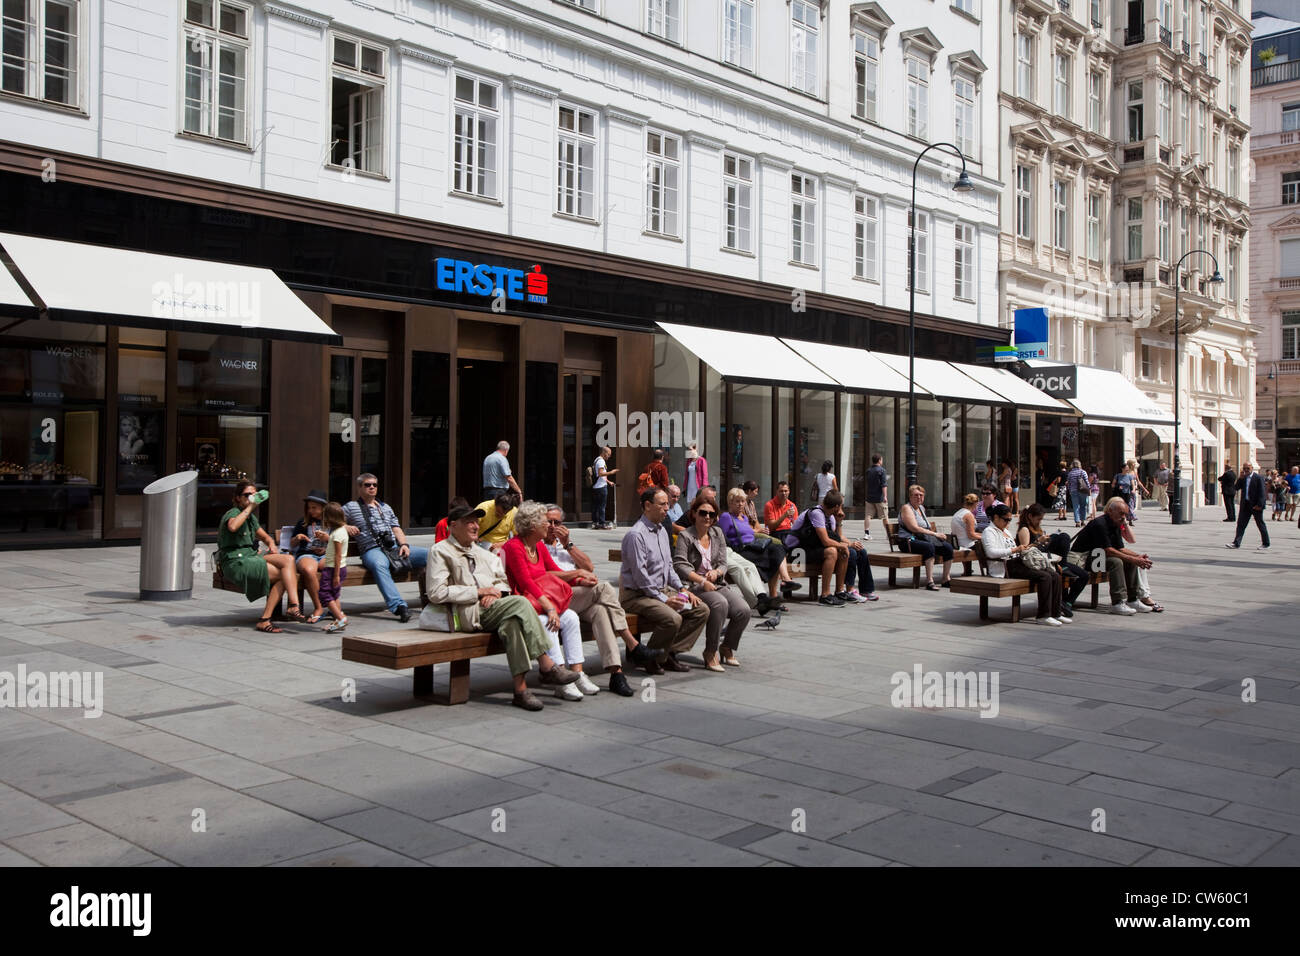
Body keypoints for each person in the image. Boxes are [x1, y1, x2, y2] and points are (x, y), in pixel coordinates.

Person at [424, 504, 580, 711]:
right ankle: (546, 664)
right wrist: (478, 592)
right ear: (453, 526)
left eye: (476, 521)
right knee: (521, 602)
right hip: (463, 613)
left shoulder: (484, 553)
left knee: (513, 623)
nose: (475, 526)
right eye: (469, 522)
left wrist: (497, 592)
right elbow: (436, 592)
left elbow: (502, 582)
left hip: (493, 608)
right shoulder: (440, 551)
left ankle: (521, 690)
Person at [542, 504, 664, 694]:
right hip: (555, 599)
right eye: (548, 522)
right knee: (604, 588)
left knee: (601, 612)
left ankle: (616, 674)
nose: (552, 526)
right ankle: (632, 643)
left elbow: (589, 566)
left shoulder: (565, 545)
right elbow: (544, 576)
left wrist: (568, 545)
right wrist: (578, 575)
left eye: (556, 522)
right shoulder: (538, 546)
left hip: (577, 599)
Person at [501, 502, 593, 701]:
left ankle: (578, 673)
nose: (549, 526)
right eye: (545, 522)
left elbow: (555, 573)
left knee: (570, 617)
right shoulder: (514, 547)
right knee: (546, 622)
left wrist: (580, 579)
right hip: (526, 601)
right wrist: (550, 608)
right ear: (532, 526)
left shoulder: (538, 545)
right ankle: (559, 675)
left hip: (542, 599)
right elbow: (526, 583)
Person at [618, 487, 710, 672]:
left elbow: (669, 566)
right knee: (672, 618)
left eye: (668, 504)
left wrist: (682, 589)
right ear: (647, 506)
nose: (667, 508)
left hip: (660, 590)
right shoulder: (636, 535)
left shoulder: (661, 530)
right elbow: (640, 576)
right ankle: (649, 657)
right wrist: (665, 600)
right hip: (637, 595)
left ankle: (667, 653)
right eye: (662, 504)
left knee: (701, 610)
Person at [217, 480, 304, 632]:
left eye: (254, 494)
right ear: (238, 497)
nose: (251, 497)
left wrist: (271, 544)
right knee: (285, 575)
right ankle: (270, 617)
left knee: (288, 560)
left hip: (250, 556)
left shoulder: (251, 518)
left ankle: (292, 606)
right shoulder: (233, 513)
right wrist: (251, 506)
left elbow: (266, 537)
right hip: (235, 561)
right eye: (247, 495)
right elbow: (233, 526)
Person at [674, 494, 748, 671]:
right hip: (694, 586)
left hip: (716, 584)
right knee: (719, 604)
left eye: (712, 514)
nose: (707, 517)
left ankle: (727, 647)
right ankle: (710, 651)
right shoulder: (686, 535)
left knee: (743, 610)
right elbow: (679, 564)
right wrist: (701, 580)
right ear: (694, 514)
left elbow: (723, 562)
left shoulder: (717, 533)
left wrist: (717, 572)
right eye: (703, 513)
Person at [342, 473, 429, 622]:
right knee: (379, 564)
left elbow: (396, 528)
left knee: (432, 554)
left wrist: (404, 545)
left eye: (374, 485)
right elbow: (332, 522)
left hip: (394, 548)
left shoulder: (385, 507)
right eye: (367, 485)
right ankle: (399, 606)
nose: (371, 487)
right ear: (359, 487)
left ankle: (437, 598)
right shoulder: (351, 507)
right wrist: (346, 526)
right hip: (372, 550)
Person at [1066, 497, 1153, 614]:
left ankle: (1133, 599)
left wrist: (1138, 557)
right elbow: (1108, 550)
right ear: (1110, 511)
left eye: (1126, 514)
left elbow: (1120, 548)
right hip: (1084, 558)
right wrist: (1133, 559)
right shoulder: (1099, 524)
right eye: (1121, 513)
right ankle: (1117, 602)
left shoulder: (1116, 523)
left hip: (1098, 556)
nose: (1124, 517)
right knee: (1116, 562)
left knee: (1129, 562)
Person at [981, 503, 1062, 626]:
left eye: (1010, 520)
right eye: (1005, 519)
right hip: (1006, 566)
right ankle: (1043, 615)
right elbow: (991, 553)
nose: (1008, 523)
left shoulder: (1005, 531)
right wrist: (1014, 550)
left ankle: (1056, 613)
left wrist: (1025, 548)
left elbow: (1018, 549)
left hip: (1017, 561)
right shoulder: (989, 531)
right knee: (1044, 577)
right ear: (996, 517)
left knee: (1054, 575)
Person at [718, 487, 797, 601]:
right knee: (774, 555)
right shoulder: (726, 517)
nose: (740, 504)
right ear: (730, 503)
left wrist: (759, 531)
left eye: (742, 501)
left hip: (753, 547)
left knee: (778, 549)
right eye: (737, 501)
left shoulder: (744, 518)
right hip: (741, 550)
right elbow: (722, 537)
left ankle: (785, 581)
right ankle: (775, 591)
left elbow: (748, 532)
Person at [1016, 502, 1077, 620]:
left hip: (1040, 558)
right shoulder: (1024, 529)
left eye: (1041, 519)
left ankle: (1056, 613)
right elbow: (1025, 550)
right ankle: (1044, 615)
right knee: (1048, 576)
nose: (1040, 522)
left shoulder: (1036, 528)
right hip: (1028, 561)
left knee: (1063, 537)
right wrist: (1040, 541)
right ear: (1030, 516)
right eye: (1038, 519)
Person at [822, 491, 877, 602]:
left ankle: (866, 589)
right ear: (837, 506)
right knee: (851, 552)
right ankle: (849, 590)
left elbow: (839, 536)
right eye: (841, 505)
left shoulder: (833, 517)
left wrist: (839, 522)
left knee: (861, 551)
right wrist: (849, 545)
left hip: (833, 544)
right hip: (823, 547)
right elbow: (827, 540)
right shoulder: (821, 514)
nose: (842, 508)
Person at [896, 484, 954, 591]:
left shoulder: (921, 508)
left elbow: (924, 528)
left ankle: (946, 578)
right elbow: (914, 528)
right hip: (908, 541)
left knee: (948, 548)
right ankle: (929, 581)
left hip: (922, 538)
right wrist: (935, 534)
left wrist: (937, 536)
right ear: (910, 496)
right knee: (929, 547)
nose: (919, 497)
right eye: (915, 495)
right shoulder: (906, 508)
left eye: (921, 495)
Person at [290, 489, 330, 622]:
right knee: (308, 570)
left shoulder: (331, 522)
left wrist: (327, 539)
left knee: (332, 567)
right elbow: (292, 544)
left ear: (323, 508)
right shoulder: (303, 522)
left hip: (325, 554)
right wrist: (298, 537)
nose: (311, 510)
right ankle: (319, 607)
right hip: (307, 554)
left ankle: (333, 605)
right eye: (309, 508)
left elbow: (339, 541)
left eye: (314, 508)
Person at [318, 502, 351, 633]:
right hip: (340, 568)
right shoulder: (341, 531)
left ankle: (341, 618)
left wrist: (336, 575)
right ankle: (338, 620)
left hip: (333, 569)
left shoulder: (337, 534)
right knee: (334, 594)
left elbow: (337, 555)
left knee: (325, 593)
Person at [1226, 462, 1270, 551]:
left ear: (1252, 468)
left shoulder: (1258, 478)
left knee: (1260, 524)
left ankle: (1266, 543)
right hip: (1245, 505)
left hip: (1255, 505)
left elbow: (1262, 492)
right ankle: (1236, 543)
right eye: (1244, 468)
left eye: (1248, 468)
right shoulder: (1244, 478)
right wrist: (1240, 478)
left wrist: (1260, 505)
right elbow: (1236, 488)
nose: (1246, 470)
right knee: (1241, 524)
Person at [592, 445, 616, 529]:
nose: (609, 456)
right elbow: (601, 473)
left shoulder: (597, 460)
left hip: (597, 486)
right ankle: (602, 523)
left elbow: (601, 476)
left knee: (596, 506)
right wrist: (611, 472)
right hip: (601, 487)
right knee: (602, 506)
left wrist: (608, 481)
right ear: (604, 452)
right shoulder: (601, 461)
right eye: (608, 454)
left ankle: (595, 523)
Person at [864, 454, 888, 534]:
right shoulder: (882, 470)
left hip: (870, 497)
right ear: (879, 460)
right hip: (879, 497)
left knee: (868, 515)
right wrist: (885, 496)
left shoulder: (868, 470)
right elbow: (883, 484)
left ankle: (866, 533)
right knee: (885, 516)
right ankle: (889, 534)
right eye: (882, 459)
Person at [1064, 459, 1090, 528]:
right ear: (1079, 465)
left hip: (1073, 491)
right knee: (1083, 506)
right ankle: (1083, 521)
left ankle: (1077, 521)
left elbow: (1068, 483)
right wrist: (1089, 489)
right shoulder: (1083, 472)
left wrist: (1069, 490)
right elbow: (1087, 482)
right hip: (1082, 491)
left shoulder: (1070, 473)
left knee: (1076, 507)